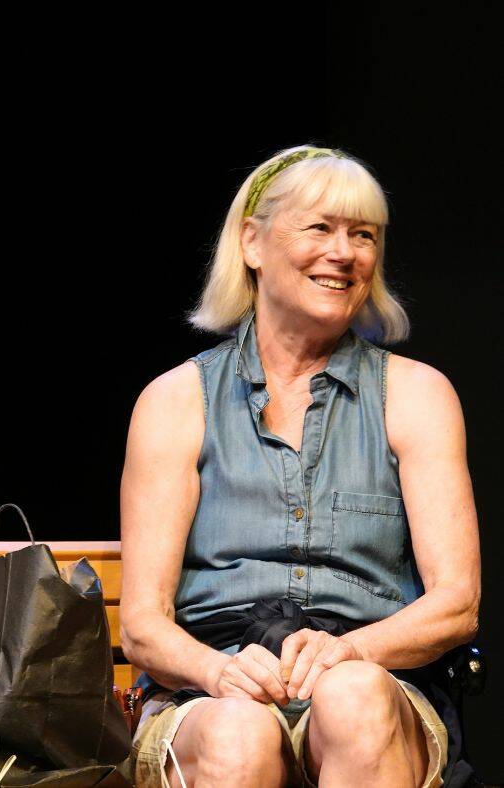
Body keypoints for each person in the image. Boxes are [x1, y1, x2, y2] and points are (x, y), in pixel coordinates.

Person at [119, 146, 481, 787]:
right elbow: (143, 623)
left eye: (363, 235)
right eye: (320, 228)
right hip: (209, 689)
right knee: (239, 731)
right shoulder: (176, 402)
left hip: (377, 678)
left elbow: (456, 604)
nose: (344, 253)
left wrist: (352, 650)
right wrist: (217, 671)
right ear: (252, 243)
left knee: (354, 699)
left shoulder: (417, 396)